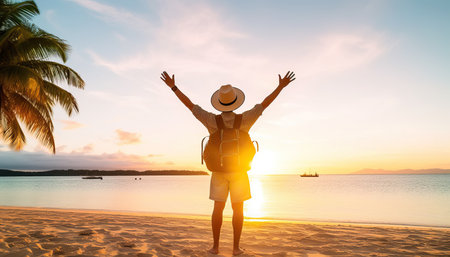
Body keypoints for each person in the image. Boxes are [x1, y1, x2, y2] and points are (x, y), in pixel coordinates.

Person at [160, 71, 295, 255]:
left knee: (218, 208)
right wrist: (280, 86)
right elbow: (265, 104)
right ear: (235, 100)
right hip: (239, 171)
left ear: (219, 102)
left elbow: (190, 106)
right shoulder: (246, 119)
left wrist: (173, 87)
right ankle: (236, 248)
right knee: (238, 209)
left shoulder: (211, 120)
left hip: (218, 171)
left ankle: (215, 247)